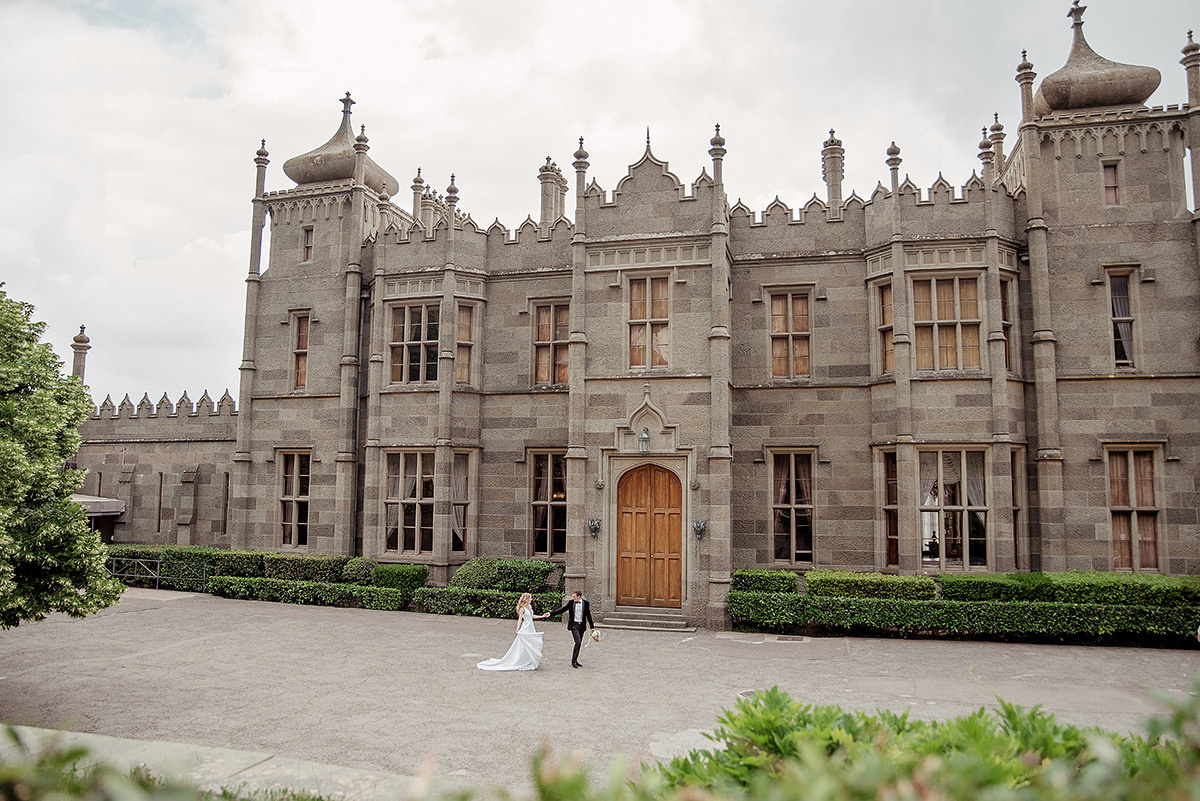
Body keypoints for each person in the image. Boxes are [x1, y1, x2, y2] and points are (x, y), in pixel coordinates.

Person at [477, 592, 543, 671]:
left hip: (531, 627)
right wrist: (518, 628)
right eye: (530, 598)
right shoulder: (522, 609)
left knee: (531, 643)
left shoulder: (529, 606)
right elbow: (520, 619)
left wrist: (542, 616)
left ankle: (529, 659)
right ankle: (520, 660)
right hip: (526, 627)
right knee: (524, 644)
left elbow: (532, 616)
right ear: (526, 599)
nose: (531, 599)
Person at [540, 589, 595, 668]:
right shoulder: (571, 603)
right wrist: (550, 613)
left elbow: (588, 615)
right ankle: (573, 661)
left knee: (579, 644)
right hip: (574, 625)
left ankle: (575, 660)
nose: (573, 598)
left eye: (574, 596)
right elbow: (562, 610)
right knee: (578, 642)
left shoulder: (585, 604)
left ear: (579, 596)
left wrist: (592, 626)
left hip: (582, 626)